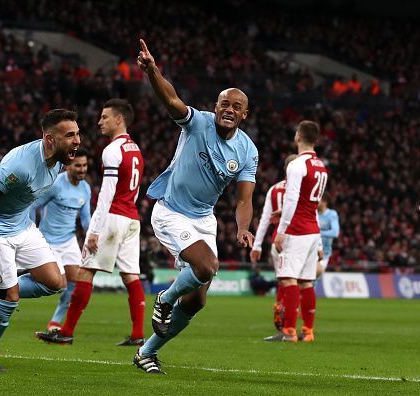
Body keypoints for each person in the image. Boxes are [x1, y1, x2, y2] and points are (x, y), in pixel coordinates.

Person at [133, 39, 258, 374]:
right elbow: (171, 100)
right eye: (224, 104)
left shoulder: (247, 151)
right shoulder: (197, 122)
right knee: (206, 266)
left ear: (244, 114)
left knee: (198, 300)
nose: (229, 109)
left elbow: (244, 199)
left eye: (236, 106)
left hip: (204, 219)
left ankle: (146, 352)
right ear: (216, 107)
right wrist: (152, 70)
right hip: (171, 211)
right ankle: (164, 299)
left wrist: (244, 228)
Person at [0, 109, 81, 371]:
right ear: (49, 139)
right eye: (70, 135)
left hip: (22, 227)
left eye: (78, 133)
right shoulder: (20, 163)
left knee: (56, 283)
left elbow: (12, 193)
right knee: (10, 298)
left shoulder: (57, 161)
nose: (77, 140)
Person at [40, 98, 147, 347]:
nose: (100, 121)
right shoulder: (136, 150)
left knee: (85, 272)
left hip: (112, 218)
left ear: (119, 119)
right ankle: (138, 334)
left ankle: (66, 330)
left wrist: (94, 231)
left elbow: (107, 194)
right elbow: (136, 190)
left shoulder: (112, 150)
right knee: (131, 276)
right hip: (131, 218)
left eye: (105, 117)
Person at [263, 120, 328, 343]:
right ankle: (308, 331)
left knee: (289, 279)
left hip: (296, 230)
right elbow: (308, 202)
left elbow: (292, 200)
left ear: (298, 136)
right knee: (306, 281)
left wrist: (281, 230)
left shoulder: (296, 165)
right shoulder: (320, 165)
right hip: (312, 231)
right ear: (316, 140)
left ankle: (289, 330)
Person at [31, 149, 91, 332]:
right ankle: (6, 286)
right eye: (78, 165)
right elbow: (34, 205)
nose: (82, 169)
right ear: (68, 166)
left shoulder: (85, 188)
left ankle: (55, 322)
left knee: (74, 283)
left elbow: (86, 218)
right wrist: (31, 231)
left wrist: (91, 238)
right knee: (59, 284)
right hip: (48, 241)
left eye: (85, 165)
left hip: (69, 241)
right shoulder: (56, 184)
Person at [250, 154, 296, 330]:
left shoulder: (274, 189)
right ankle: (291, 325)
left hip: (277, 240)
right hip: (296, 237)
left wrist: (257, 245)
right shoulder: (301, 190)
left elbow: (264, 219)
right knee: (295, 283)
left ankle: (280, 317)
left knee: (283, 281)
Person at [317, 192, 340, 276]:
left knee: (315, 278)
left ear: (324, 202)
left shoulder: (332, 214)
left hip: (324, 253)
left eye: (318, 200)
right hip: (311, 250)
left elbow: (335, 232)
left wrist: (317, 233)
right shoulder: (314, 213)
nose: (316, 202)